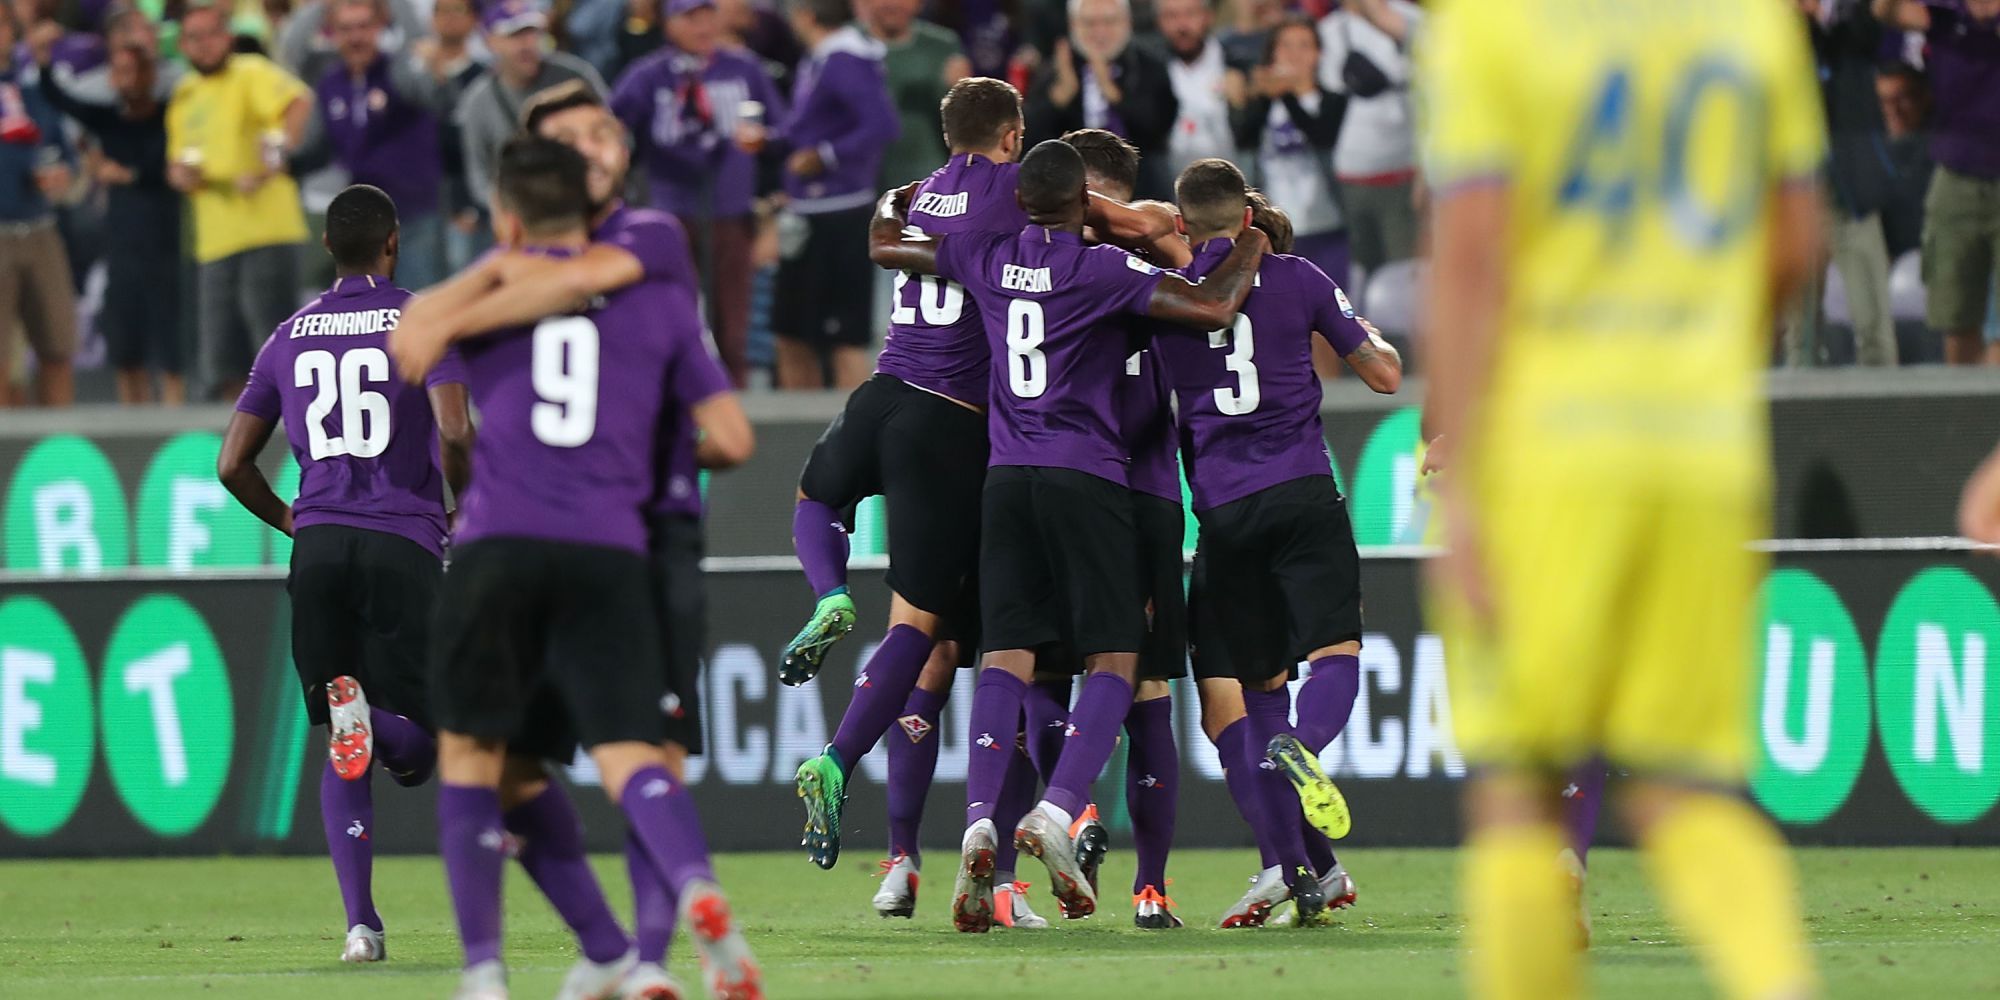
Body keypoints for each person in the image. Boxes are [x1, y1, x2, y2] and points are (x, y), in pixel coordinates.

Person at [1419, 1, 1823, 996]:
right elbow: (1794, 237)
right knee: (1687, 784)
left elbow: (1471, 250)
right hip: (1703, 449)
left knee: (1518, 782)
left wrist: (1460, 468)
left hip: (1546, 448)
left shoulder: (1491, 26)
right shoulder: (1750, 22)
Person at [395, 81, 753, 1000]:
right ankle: (639, 931)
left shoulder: (637, 241)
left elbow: (414, 342)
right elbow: (736, 437)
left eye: (605, 130)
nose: (595, 146)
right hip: (613, 545)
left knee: (478, 756)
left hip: (528, 542)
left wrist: (496, 274)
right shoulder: (651, 292)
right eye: (575, 136)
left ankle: (520, 970)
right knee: (620, 754)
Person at [869, 137, 1266, 931]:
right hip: (1094, 478)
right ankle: (1059, 810)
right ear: (1087, 203)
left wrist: (895, 197)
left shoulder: (981, 252)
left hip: (1004, 480)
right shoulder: (1108, 268)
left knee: (1008, 654)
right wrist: (1250, 237)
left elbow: (891, 247)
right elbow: (1214, 303)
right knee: (1120, 660)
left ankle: (981, 816)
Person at [779, 75, 1022, 909]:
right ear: (1012, 134)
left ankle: (827, 591)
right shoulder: (1017, 191)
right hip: (950, 425)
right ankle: (837, 759)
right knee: (927, 631)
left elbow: (884, 233)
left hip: (878, 394)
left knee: (816, 502)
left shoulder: (909, 193)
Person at [216, 183, 473, 966]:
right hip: (402, 542)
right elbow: (456, 428)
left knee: (342, 737)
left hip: (319, 547)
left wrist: (297, 519)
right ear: (393, 243)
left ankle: (361, 926)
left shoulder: (288, 332)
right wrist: (466, 506)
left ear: (327, 246)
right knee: (429, 743)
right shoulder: (424, 318)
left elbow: (231, 465)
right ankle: (376, 722)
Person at [1155, 159, 1399, 929]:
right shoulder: (1302, 278)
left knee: (1254, 685)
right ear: (1250, 221)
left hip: (1223, 514)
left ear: (1186, 227)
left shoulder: (1166, 300)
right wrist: (1369, 339)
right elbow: (1385, 375)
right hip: (1303, 492)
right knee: (1335, 654)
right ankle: (1302, 749)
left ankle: (1296, 866)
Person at [1060, 125, 1189, 930]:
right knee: (1146, 684)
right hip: (1146, 492)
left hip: (1059, 484)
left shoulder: (1048, 260)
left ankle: (1071, 814)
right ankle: (1151, 887)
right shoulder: (1158, 261)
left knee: (1058, 668)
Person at [611, 0, 781, 388]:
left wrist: (764, 140)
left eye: (708, 15)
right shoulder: (649, 75)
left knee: (732, 326)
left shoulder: (744, 68)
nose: (702, 26)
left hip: (731, 210)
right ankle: (674, 407)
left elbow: (782, 130)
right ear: (670, 23)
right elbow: (611, 125)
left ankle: (735, 414)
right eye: (691, 17)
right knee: (673, 321)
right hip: (670, 213)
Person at [167, 0, 312, 400]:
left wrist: (276, 157)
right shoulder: (184, 93)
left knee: (273, 345)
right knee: (222, 355)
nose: (205, 45)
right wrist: (180, 174)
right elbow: (177, 161)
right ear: (182, 44)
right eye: (194, 38)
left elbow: (298, 102)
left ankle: (291, 439)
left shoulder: (251, 72)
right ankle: (239, 445)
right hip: (214, 238)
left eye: (212, 35)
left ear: (227, 37)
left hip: (266, 228)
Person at [749, 0, 898, 389]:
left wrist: (825, 156)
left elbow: (882, 124)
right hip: (810, 211)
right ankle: (805, 447)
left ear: (805, 15)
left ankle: (855, 447)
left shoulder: (843, 59)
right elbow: (807, 130)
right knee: (791, 336)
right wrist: (771, 140)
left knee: (842, 340)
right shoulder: (825, 57)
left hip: (839, 217)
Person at [40, 34, 175, 404]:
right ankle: (134, 423)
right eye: (119, 72)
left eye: (134, 70)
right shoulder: (108, 120)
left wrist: (127, 174)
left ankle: (177, 423)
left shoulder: (170, 114)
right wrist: (42, 60)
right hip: (121, 245)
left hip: (166, 245)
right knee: (126, 343)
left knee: (170, 346)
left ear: (149, 74)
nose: (127, 79)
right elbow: (59, 99)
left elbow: (171, 167)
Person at [1872, 0, 2000, 365]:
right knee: (1955, 318)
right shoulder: (1944, 14)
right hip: (1955, 175)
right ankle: (1963, 418)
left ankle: (1991, 419)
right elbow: (1884, 10)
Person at [311, 0, 453, 291]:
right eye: (346, 28)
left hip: (414, 214)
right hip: (364, 225)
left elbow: (437, 98)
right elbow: (293, 50)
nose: (356, 37)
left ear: (380, 28)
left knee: (421, 306)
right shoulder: (330, 83)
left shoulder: (399, 70)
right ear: (332, 32)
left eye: (364, 26)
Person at [1230, 15, 1344, 375]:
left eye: (1303, 45)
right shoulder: (1265, 103)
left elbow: (1322, 134)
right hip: (1274, 236)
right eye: (1285, 46)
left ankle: (1338, 413)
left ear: (1318, 54)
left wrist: (1289, 94)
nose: (1294, 54)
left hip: (1326, 228)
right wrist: (1263, 98)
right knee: (1279, 327)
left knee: (1327, 326)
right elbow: (1243, 138)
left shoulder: (1334, 101)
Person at [1787, 0, 1898, 368]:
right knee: (1799, 338)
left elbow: (1870, 35)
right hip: (1797, 194)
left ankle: (1886, 424)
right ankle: (1797, 424)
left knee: (1874, 328)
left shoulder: (1855, 11)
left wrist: (1822, 13)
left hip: (1850, 192)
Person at [455, 0, 606, 215]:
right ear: (490, 41)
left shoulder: (575, 77)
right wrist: (513, 210)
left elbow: (613, 132)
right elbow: (478, 173)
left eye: (532, 33)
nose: (526, 44)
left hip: (583, 205)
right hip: (521, 216)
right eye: (514, 35)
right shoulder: (478, 101)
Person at [0, 7, 76, 408]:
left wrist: (62, 178)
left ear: (13, 33)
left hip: (41, 230)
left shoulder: (33, 94)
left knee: (58, 348)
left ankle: (58, 452)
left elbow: (68, 162)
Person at [1024, 0, 1177, 198]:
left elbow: (1157, 129)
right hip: (1069, 190)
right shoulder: (1055, 71)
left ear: (1127, 22)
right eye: (1090, 23)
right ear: (1072, 25)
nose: (1100, 32)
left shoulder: (1149, 67)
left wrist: (1110, 90)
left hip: (1142, 186)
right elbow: (1029, 139)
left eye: (1109, 22)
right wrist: (1059, 97)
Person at [1317, 0, 1421, 285]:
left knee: (1405, 272)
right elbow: (1328, 89)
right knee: (1362, 270)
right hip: (1351, 169)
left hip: (1405, 167)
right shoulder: (1330, 29)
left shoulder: (1410, 19)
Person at [412, 0, 490, 271]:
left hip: (464, 200)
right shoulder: (412, 75)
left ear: (473, 19)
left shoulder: (484, 77)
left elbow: (475, 146)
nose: (449, 18)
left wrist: (471, 203)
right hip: (416, 199)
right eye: (442, 11)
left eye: (458, 10)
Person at [1157, 0, 1236, 183]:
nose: (1182, 25)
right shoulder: (1147, 72)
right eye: (1172, 16)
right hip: (1168, 190)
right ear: (1159, 21)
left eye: (1190, 14)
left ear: (1208, 16)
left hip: (1235, 186)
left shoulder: (1236, 65)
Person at [1875, 61, 1933, 260]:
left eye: (1902, 98)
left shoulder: (1949, 158)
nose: (1893, 109)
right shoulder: (1863, 158)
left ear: (1925, 98)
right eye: (1883, 101)